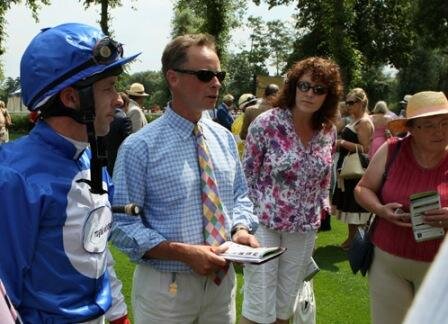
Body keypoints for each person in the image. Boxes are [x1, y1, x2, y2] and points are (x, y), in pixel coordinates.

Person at [110, 33, 259, 324]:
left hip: (221, 285)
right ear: (173, 78)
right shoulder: (141, 147)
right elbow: (122, 224)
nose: (216, 83)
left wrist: (240, 229)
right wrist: (182, 253)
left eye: (219, 74)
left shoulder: (224, 138)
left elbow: (240, 196)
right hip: (167, 288)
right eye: (205, 75)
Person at [0, 23, 138, 323]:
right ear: (71, 98)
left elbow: (98, 249)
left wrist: (118, 314)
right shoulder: (12, 176)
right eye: (109, 88)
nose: (118, 100)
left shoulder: (89, 156)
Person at [240, 57, 343, 324]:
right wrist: (244, 224)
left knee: (286, 307)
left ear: (328, 96)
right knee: (258, 306)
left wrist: (322, 204)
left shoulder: (328, 131)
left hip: (304, 229)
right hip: (264, 224)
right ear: (293, 86)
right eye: (304, 85)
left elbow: (324, 176)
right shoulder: (266, 124)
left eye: (319, 89)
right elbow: (246, 177)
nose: (309, 93)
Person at [354, 91, 448, 324]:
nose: (440, 131)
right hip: (389, 264)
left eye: (445, 123)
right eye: (429, 125)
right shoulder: (392, 149)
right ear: (412, 128)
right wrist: (380, 209)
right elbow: (362, 188)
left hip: (441, 270)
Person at [332, 87, 373, 250]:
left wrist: (342, 143)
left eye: (351, 102)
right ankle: (352, 238)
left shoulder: (364, 122)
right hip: (347, 167)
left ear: (361, 103)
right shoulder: (354, 120)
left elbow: (365, 148)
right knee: (349, 203)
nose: (347, 105)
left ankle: (358, 241)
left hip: (356, 168)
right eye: (346, 102)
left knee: (356, 204)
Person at [104, 91, 132, 175]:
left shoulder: (105, 117)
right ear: (126, 104)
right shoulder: (124, 120)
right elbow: (129, 144)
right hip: (119, 164)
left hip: (104, 163)